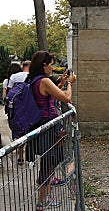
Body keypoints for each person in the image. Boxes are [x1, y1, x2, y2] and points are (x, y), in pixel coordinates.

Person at [24, 51, 76, 210]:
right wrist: (70, 84)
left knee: (49, 162)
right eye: (51, 64)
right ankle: (42, 201)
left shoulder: (34, 80)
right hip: (48, 127)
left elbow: (48, 95)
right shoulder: (44, 80)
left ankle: (45, 195)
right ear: (44, 65)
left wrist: (61, 83)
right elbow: (66, 98)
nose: (53, 68)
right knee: (49, 162)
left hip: (41, 125)